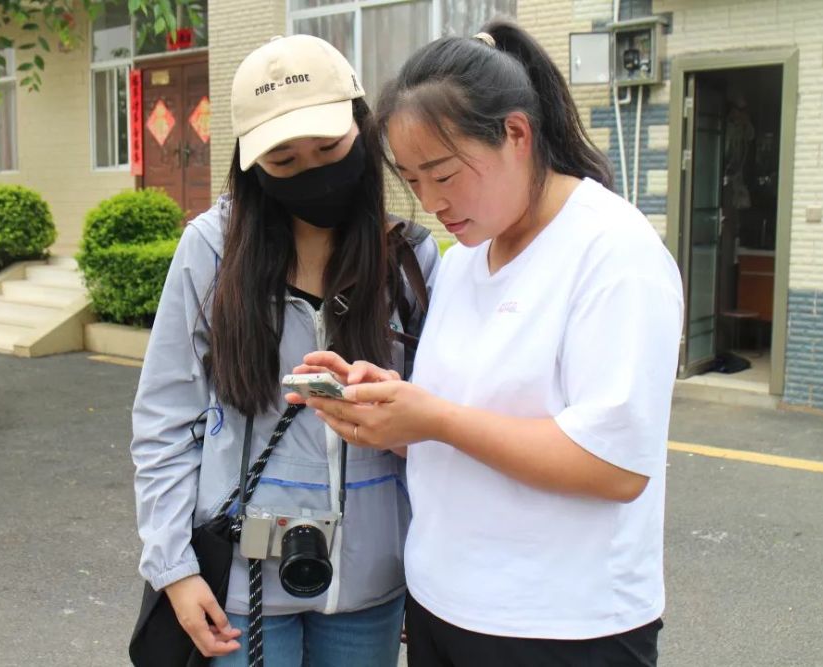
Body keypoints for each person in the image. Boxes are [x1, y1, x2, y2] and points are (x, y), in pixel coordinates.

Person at [290, 20, 684, 667]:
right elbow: (457, 420)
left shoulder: (613, 252)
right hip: (445, 605)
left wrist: (436, 417)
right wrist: (386, 410)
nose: (431, 201)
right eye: (413, 180)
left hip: (562, 627)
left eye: (444, 173)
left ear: (517, 134)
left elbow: (615, 465)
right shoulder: (467, 258)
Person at [130, 34, 439, 667]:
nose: (312, 172)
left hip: (371, 584)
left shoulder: (408, 257)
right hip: (239, 588)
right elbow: (164, 419)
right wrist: (174, 569)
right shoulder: (212, 251)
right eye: (284, 161)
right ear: (249, 163)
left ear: (362, 125)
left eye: (329, 148)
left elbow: (436, 425)